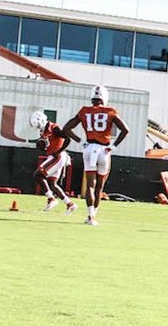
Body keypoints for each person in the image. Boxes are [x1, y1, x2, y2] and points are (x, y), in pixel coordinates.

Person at [62, 85, 129, 226]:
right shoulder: (110, 111)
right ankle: (94, 217)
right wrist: (113, 146)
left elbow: (66, 128)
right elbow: (125, 130)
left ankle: (90, 216)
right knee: (99, 186)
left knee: (90, 186)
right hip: (104, 150)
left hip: (89, 148)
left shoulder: (84, 111)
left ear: (92, 97)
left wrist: (81, 141)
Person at [30, 110, 76, 215]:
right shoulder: (44, 130)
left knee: (38, 175)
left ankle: (51, 199)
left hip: (58, 156)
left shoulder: (53, 127)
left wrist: (59, 151)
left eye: (38, 125)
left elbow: (68, 139)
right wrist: (42, 147)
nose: (38, 128)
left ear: (41, 121)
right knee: (52, 184)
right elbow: (48, 144)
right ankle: (70, 204)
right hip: (55, 156)